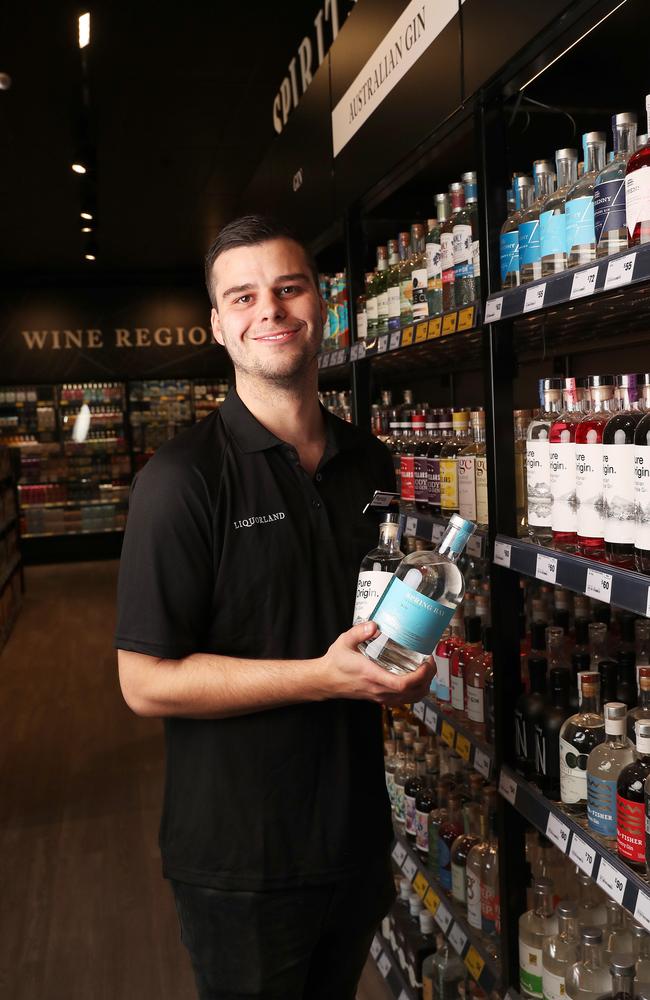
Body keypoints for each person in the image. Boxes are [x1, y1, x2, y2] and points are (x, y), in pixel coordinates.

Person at [115, 214, 435, 1000]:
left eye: (288, 289)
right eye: (245, 296)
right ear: (219, 325)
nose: (272, 310)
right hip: (242, 866)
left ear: (322, 306)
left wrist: (398, 671)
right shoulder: (183, 481)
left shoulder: (372, 463)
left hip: (357, 840)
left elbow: (369, 628)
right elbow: (145, 682)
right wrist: (322, 678)